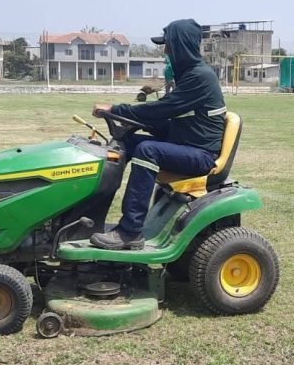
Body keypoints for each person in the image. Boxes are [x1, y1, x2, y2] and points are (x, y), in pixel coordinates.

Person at [90, 19, 226, 250]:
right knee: (127, 143)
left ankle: (130, 232)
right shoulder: (189, 76)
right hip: (186, 144)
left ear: (181, 46)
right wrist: (135, 123)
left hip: (201, 154)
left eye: (169, 46)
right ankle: (89, 217)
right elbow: (169, 120)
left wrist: (116, 110)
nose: (165, 51)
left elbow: (161, 110)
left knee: (147, 150)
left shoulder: (200, 77)